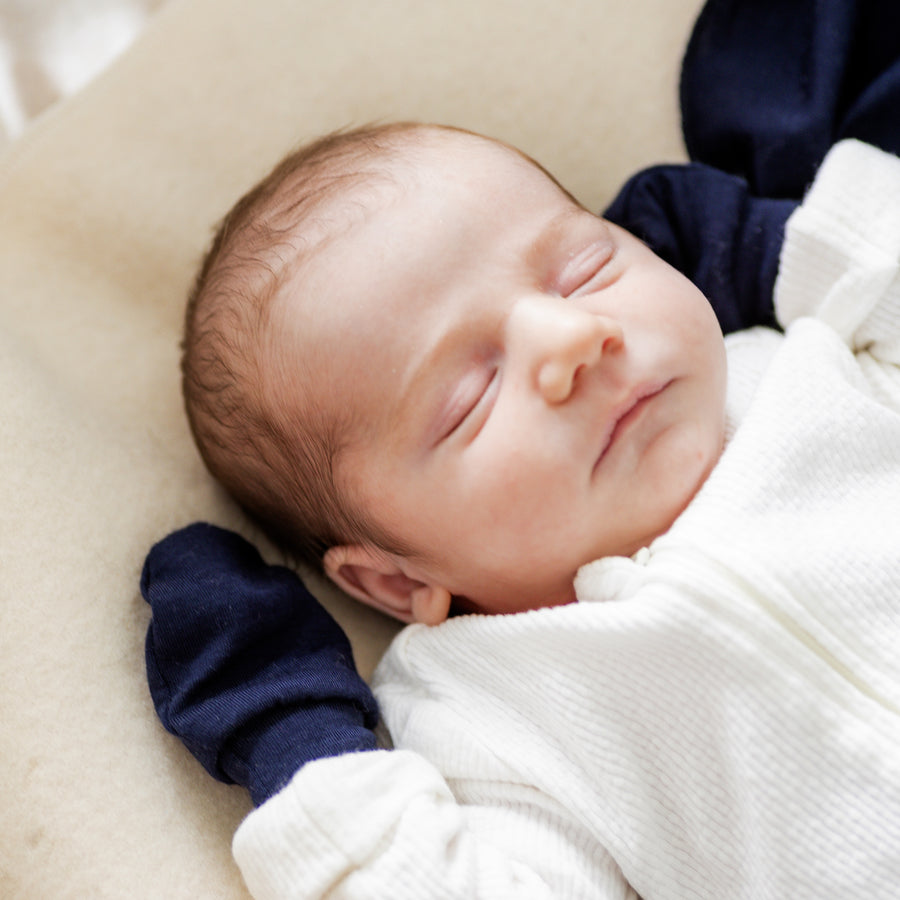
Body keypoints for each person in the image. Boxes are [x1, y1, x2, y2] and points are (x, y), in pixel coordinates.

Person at [142, 0, 900, 895]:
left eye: (586, 266)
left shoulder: (816, 360)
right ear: (393, 582)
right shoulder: (491, 716)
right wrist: (295, 741)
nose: (573, 337)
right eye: (469, 398)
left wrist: (766, 245)